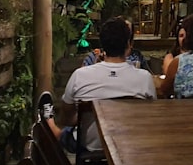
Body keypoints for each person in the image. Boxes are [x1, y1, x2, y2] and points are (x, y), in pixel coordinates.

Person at [38, 17, 155, 152]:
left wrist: (87, 116)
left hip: (88, 146)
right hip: (132, 146)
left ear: (102, 46)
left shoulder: (80, 76)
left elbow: (66, 119)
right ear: (129, 45)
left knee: (66, 131)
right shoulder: (145, 78)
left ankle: (49, 122)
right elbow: (149, 119)